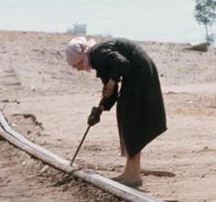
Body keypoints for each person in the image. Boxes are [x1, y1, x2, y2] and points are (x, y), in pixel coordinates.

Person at [65, 37, 167, 188]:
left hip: (140, 73)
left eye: (75, 64)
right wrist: (98, 111)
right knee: (126, 116)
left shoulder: (99, 53)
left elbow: (122, 64)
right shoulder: (97, 59)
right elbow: (110, 91)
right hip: (136, 75)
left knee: (131, 119)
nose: (76, 68)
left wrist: (112, 83)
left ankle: (133, 175)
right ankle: (129, 172)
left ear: (80, 57)